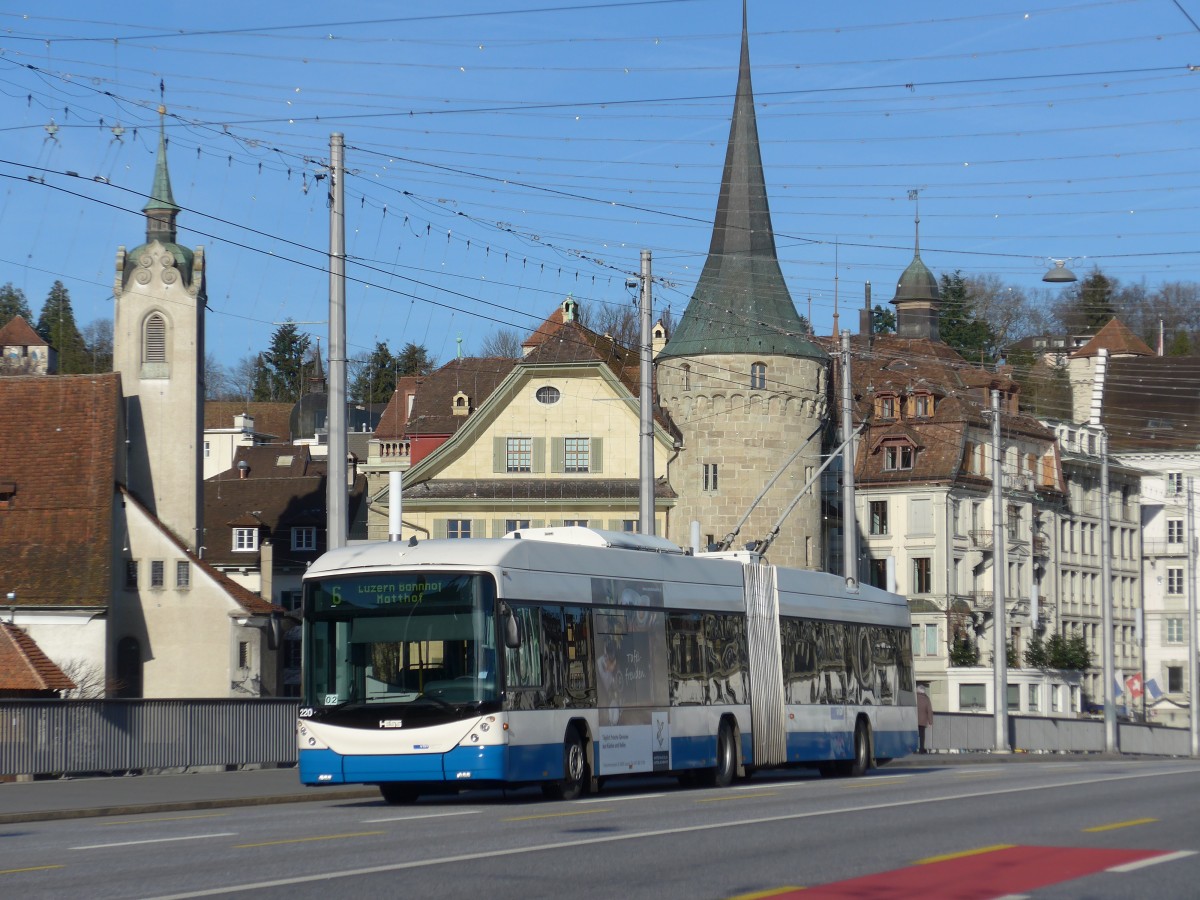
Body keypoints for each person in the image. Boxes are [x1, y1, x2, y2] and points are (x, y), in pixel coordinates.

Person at [917, 685, 934, 753]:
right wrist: (930, 721)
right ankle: (921, 749)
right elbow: (929, 710)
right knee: (922, 735)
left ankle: (913, 749)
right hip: (923, 720)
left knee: (914, 735)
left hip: (913, 719)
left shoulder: (914, 698)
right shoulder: (926, 699)